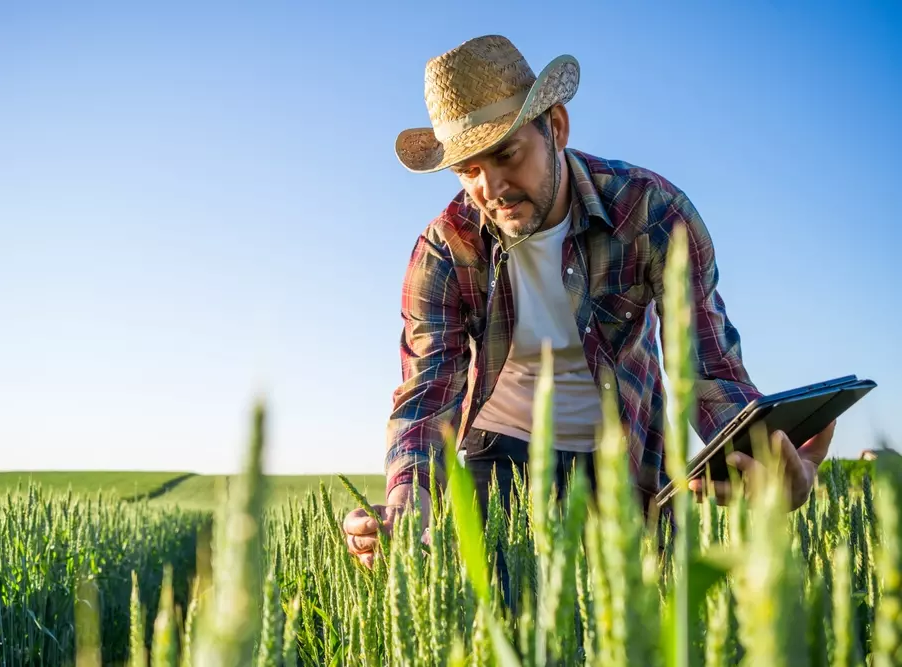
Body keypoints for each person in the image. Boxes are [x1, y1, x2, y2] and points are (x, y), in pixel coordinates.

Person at [342, 35, 835, 570]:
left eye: (507, 154)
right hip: (499, 454)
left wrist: (760, 452)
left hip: (626, 455)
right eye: (469, 170)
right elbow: (427, 392)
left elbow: (706, 367)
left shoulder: (651, 213)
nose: (491, 188)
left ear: (555, 127)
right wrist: (407, 500)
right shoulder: (444, 250)